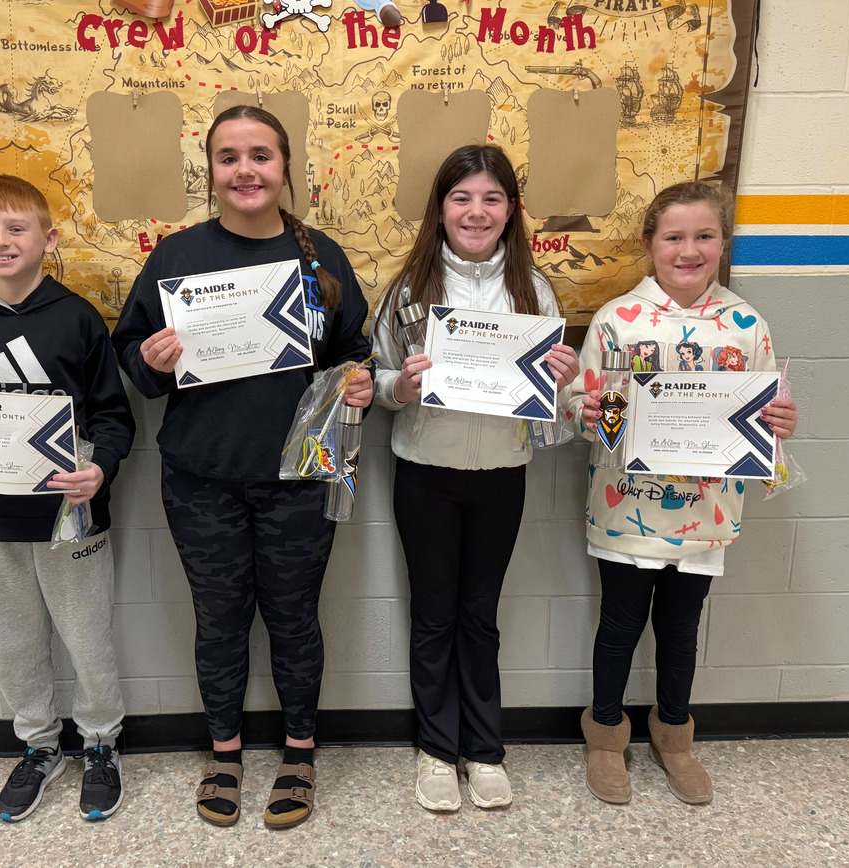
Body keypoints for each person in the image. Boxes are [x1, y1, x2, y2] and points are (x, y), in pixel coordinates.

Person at [111, 105, 373, 829]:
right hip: (201, 477)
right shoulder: (175, 256)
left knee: (294, 619)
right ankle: (223, 753)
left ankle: (298, 753)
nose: (246, 170)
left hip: (302, 476)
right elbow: (132, 362)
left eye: (261, 155)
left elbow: (357, 352)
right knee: (219, 619)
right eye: (230, 157)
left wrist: (363, 385)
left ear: (286, 168)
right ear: (212, 172)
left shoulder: (321, 254)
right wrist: (150, 362)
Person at [569, 181, 798, 806]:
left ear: (723, 243)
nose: (688, 250)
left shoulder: (747, 323)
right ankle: (606, 735)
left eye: (704, 236)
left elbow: (767, 417)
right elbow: (577, 406)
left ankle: (675, 737)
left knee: (679, 629)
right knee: (617, 626)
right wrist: (586, 412)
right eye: (674, 237)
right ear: (650, 244)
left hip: (706, 510)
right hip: (626, 507)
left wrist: (778, 427)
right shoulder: (618, 319)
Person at [0, 175, 136, 822]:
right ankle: (38, 746)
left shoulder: (76, 318)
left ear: (49, 238)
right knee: (12, 641)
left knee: (87, 635)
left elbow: (113, 418)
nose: (2, 241)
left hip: (70, 516)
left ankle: (100, 744)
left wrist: (99, 469)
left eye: (17, 228)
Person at [373, 145, 579, 812]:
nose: (476, 210)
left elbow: (552, 399)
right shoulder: (409, 290)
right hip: (426, 472)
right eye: (462, 198)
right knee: (433, 616)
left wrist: (562, 382)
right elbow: (375, 382)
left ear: (511, 211)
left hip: (501, 474)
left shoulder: (534, 290)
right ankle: (437, 751)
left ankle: (484, 750)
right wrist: (399, 386)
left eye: (491, 198)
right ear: (440, 209)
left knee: (479, 616)